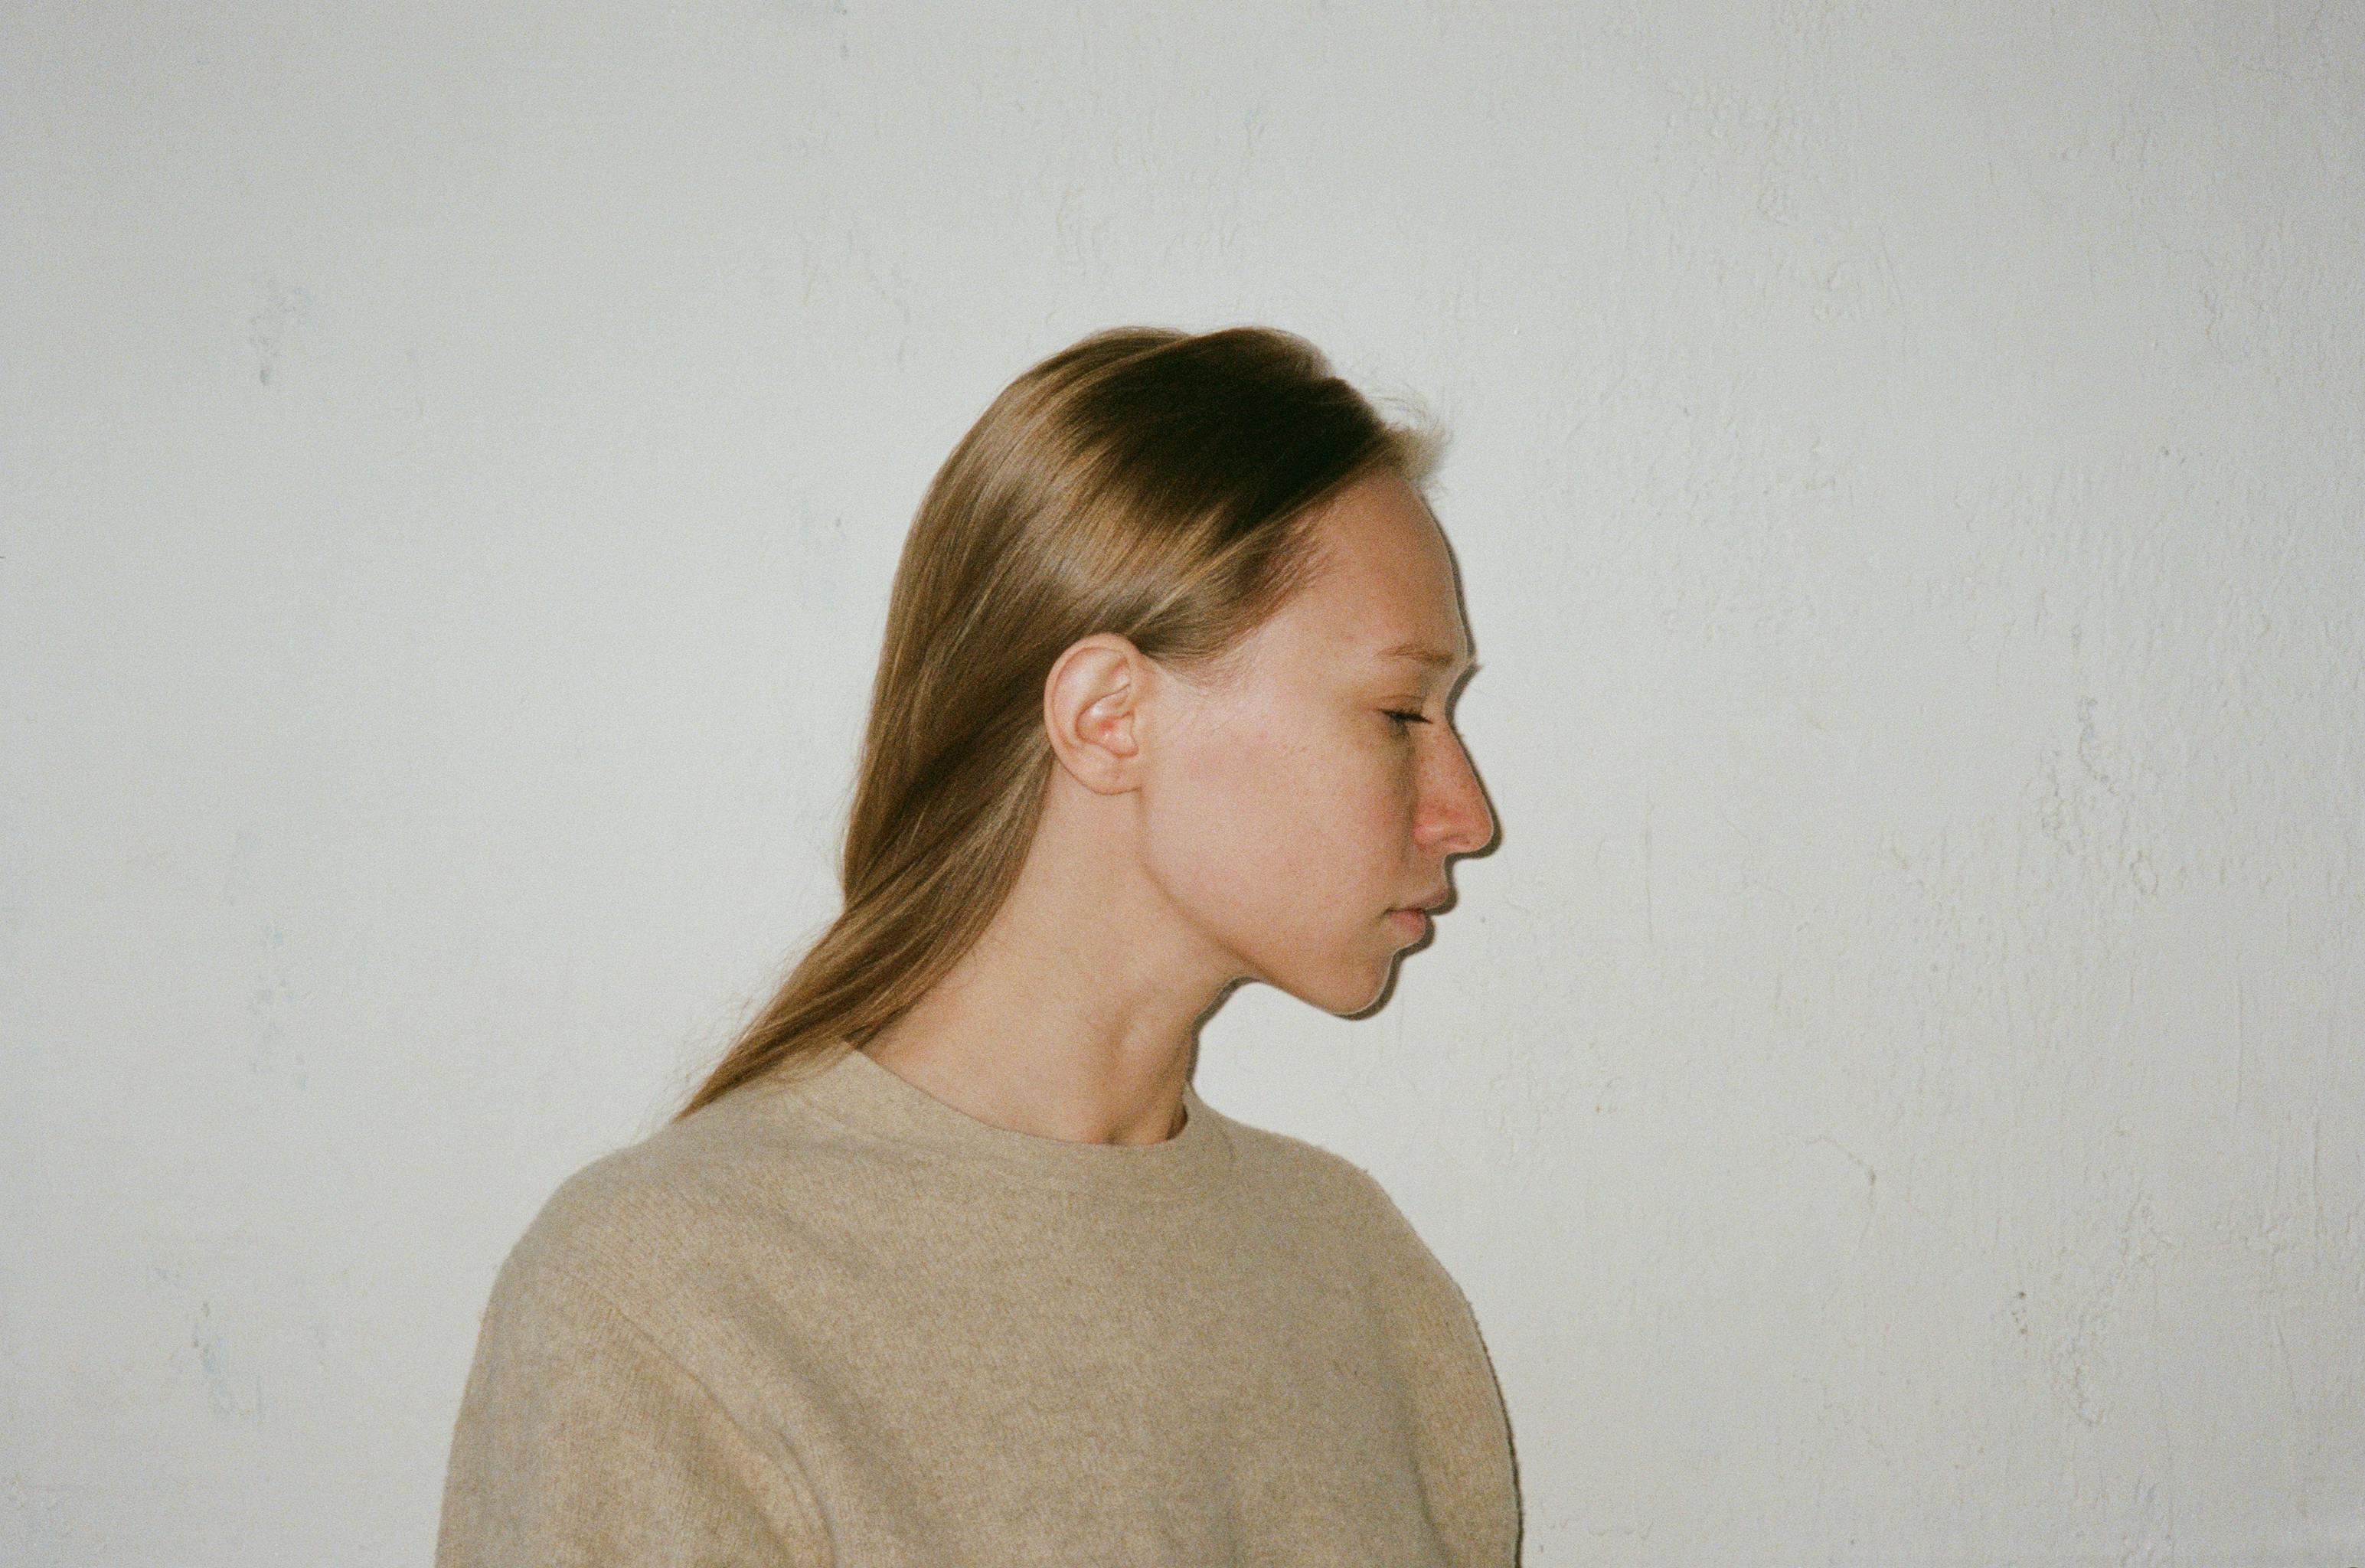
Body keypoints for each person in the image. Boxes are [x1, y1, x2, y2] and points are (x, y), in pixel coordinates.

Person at [433, 325, 1517, 1565]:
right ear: (1108, 718)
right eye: (1399, 711)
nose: (1467, 816)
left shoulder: (1353, 1273)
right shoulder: (672, 1303)